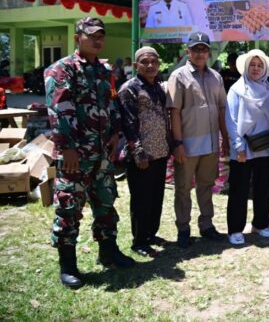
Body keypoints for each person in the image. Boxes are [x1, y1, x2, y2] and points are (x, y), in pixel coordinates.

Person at [44, 17, 135, 289]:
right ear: (77, 37)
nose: (98, 40)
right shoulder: (62, 70)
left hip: (103, 152)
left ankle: (108, 252)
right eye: (92, 34)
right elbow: (59, 110)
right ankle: (68, 265)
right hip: (76, 153)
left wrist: (116, 133)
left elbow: (113, 102)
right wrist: (67, 147)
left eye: (101, 36)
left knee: (105, 202)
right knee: (69, 206)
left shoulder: (105, 70)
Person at [167, 31, 230, 248]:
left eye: (204, 49)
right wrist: (177, 144)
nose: (201, 53)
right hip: (187, 145)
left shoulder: (216, 77)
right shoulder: (178, 76)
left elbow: (222, 109)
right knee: (183, 188)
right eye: (196, 49)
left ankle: (207, 225)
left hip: (211, 144)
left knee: (207, 185)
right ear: (188, 52)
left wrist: (226, 138)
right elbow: (174, 112)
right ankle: (183, 229)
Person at [118, 46, 170, 258]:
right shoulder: (129, 89)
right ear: (135, 65)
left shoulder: (158, 87)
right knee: (141, 198)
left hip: (160, 151)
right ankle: (139, 241)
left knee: (156, 196)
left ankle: (150, 234)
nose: (150, 66)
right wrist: (138, 152)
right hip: (142, 156)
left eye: (154, 62)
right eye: (145, 62)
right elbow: (129, 123)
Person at [225, 49, 269, 245]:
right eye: (252, 65)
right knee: (239, 189)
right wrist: (238, 146)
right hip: (243, 147)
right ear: (246, 67)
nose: (256, 69)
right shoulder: (236, 90)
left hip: (264, 145)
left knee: (262, 187)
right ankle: (235, 229)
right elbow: (231, 120)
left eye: (259, 65)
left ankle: (261, 223)